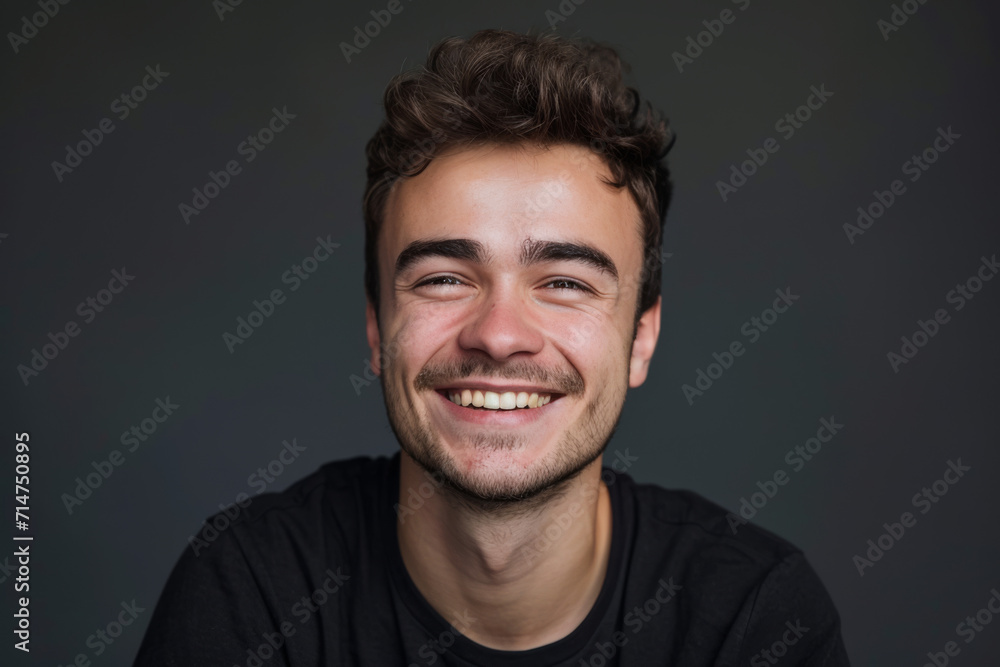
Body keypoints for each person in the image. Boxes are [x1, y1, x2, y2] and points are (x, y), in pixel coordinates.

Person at [135, 29, 850, 666]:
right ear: (378, 329)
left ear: (642, 336)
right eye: (445, 278)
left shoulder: (752, 617)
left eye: (565, 282)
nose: (500, 333)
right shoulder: (253, 590)